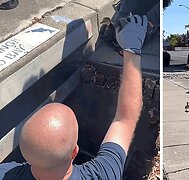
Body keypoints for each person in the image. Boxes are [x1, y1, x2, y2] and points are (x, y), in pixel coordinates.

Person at [0, 14, 148, 180]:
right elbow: (125, 119)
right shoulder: (101, 175)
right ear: (74, 152)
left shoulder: (5, 173)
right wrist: (132, 49)